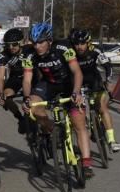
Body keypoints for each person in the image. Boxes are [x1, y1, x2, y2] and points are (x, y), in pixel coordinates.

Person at [22, 22, 94, 177]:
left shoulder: (63, 48)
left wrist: (76, 93)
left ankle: (86, 162)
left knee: (78, 121)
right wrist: (26, 99)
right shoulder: (29, 54)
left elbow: (77, 72)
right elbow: (27, 81)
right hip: (49, 84)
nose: (37, 46)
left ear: (49, 41)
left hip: (69, 83)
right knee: (33, 106)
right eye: (34, 43)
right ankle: (52, 130)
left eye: (40, 42)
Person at [70, 29, 120, 153]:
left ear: (88, 42)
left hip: (94, 81)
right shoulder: (70, 53)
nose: (79, 46)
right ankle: (87, 125)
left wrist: (108, 81)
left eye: (82, 43)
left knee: (102, 107)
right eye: (76, 43)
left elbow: (108, 66)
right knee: (79, 108)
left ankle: (112, 140)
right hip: (78, 82)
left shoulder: (95, 50)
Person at [0, 28, 31, 133]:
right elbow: (0, 76)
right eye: (8, 45)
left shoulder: (29, 49)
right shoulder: (4, 54)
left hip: (30, 77)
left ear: (20, 43)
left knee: (31, 100)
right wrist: (1, 94)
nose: (11, 47)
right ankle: (20, 119)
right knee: (6, 97)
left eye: (14, 44)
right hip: (15, 78)